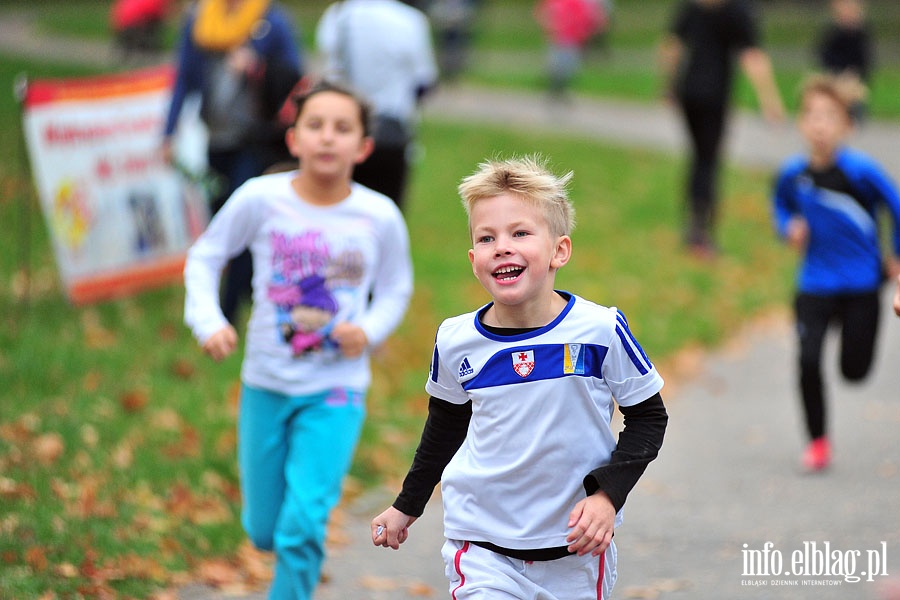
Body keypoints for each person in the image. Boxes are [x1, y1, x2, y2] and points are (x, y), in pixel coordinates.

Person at [371, 155, 668, 599]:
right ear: (474, 259)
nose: (502, 247)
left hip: (576, 552)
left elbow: (649, 419)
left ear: (559, 251)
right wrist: (406, 506)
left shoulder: (599, 330)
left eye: (520, 233)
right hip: (481, 543)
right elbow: (445, 428)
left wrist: (607, 497)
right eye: (487, 237)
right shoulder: (456, 340)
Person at [183, 80, 414, 599]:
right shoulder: (261, 199)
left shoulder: (379, 216)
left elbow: (397, 288)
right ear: (293, 139)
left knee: (303, 522)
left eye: (342, 128)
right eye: (315, 126)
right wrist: (209, 320)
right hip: (265, 383)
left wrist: (369, 330)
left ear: (363, 147)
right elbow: (206, 255)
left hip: (336, 391)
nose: (327, 138)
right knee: (264, 530)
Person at [771, 74, 900, 472]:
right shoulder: (793, 173)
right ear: (801, 123)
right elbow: (780, 205)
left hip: (861, 283)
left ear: (847, 124)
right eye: (811, 115)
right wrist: (788, 226)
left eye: (829, 115)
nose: (819, 124)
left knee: (854, 370)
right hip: (814, 283)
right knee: (808, 361)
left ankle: (853, 360)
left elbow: (896, 209)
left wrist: (895, 255)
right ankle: (818, 442)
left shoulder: (862, 171)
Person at [164, 0, 304, 325]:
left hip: (253, 142)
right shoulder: (199, 20)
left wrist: (257, 67)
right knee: (221, 219)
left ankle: (229, 309)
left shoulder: (272, 20)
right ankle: (243, 292)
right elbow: (184, 76)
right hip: (213, 138)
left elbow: (294, 78)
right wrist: (168, 131)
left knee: (243, 216)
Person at [659, 0, 785, 258]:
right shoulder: (737, 12)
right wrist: (769, 98)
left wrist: (669, 86)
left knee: (698, 158)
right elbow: (753, 56)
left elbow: (671, 47)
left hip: (689, 93)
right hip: (714, 96)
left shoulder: (693, 8)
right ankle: (701, 233)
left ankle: (693, 226)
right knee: (708, 160)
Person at [315, 0, 439, 210]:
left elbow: (328, 67)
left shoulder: (337, 15)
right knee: (387, 211)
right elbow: (425, 82)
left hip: (342, 130)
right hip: (392, 131)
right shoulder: (411, 20)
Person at [534, 0, 606, 98]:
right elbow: (543, 14)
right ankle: (556, 88)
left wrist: (588, 30)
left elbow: (592, 17)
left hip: (573, 38)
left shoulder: (579, 3)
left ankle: (560, 88)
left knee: (568, 64)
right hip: (559, 37)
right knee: (557, 64)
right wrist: (550, 25)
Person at [816, 0, 873, 122]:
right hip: (837, 74)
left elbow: (865, 58)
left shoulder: (861, 34)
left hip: (854, 77)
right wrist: (837, 69)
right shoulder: (834, 34)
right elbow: (824, 54)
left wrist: (858, 73)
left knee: (855, 102)